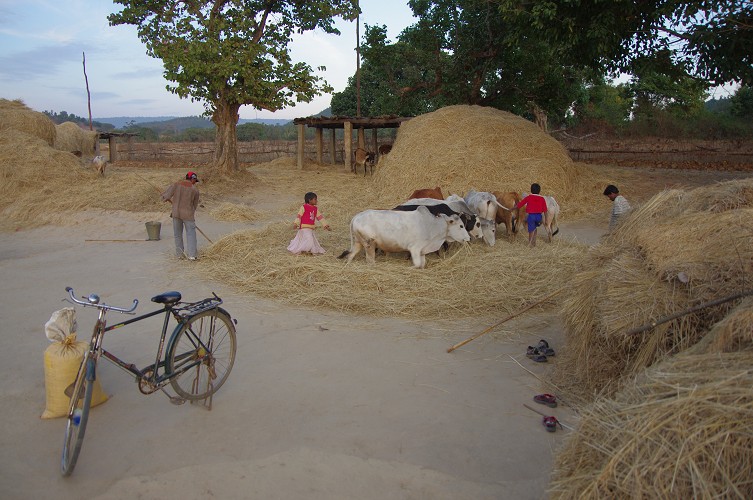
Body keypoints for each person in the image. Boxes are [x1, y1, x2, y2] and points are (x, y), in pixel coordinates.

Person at [162, 171, 200, 260]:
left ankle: (179, 255)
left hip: (176, 213)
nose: (195, 182)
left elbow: (165, 197)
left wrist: (164, 196)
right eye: (195, 180)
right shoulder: (195, 190)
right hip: (188, 215)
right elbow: (194, 205)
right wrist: (191, 214)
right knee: (191, 234)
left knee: (177, 234)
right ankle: (192, 256)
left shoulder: (176, 185)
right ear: (192, 179)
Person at [516, 183, 548, 247]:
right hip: (539, 217)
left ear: (531, 190)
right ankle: (534, 242)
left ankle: (530, 244)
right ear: (539, 191)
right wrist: (546, 220)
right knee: (535, 228)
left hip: (531, 216)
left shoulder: (529, 197)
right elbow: (545, 210)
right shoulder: (542, 199)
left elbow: (520, 205)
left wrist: (513, 208)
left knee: (530, 230)